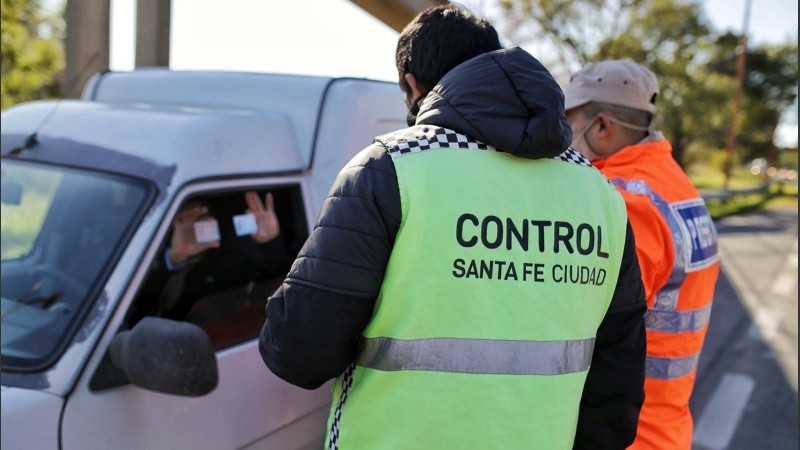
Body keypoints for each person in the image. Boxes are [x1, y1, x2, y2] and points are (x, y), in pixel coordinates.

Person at [259, 5, 647, 449]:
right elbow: (617, 385)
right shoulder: (600, 195)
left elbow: (299, 353)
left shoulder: (390, 169)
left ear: (412, 86)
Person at [563, 60, 721, 450]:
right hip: (666, 427)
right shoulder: (674, 185)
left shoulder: (625, 203)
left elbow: (583, 328)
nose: (561, 132)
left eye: (568, 120)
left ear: (602, 126)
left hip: (626, 435)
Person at [139, 191, 292, 321]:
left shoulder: (231, 265)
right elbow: (137, 306)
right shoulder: (151, 253)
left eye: (200, 218)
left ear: (213, 221)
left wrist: (270, 243)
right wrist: (172, 260)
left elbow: (278, 291)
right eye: (186, 219)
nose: (193, 226)